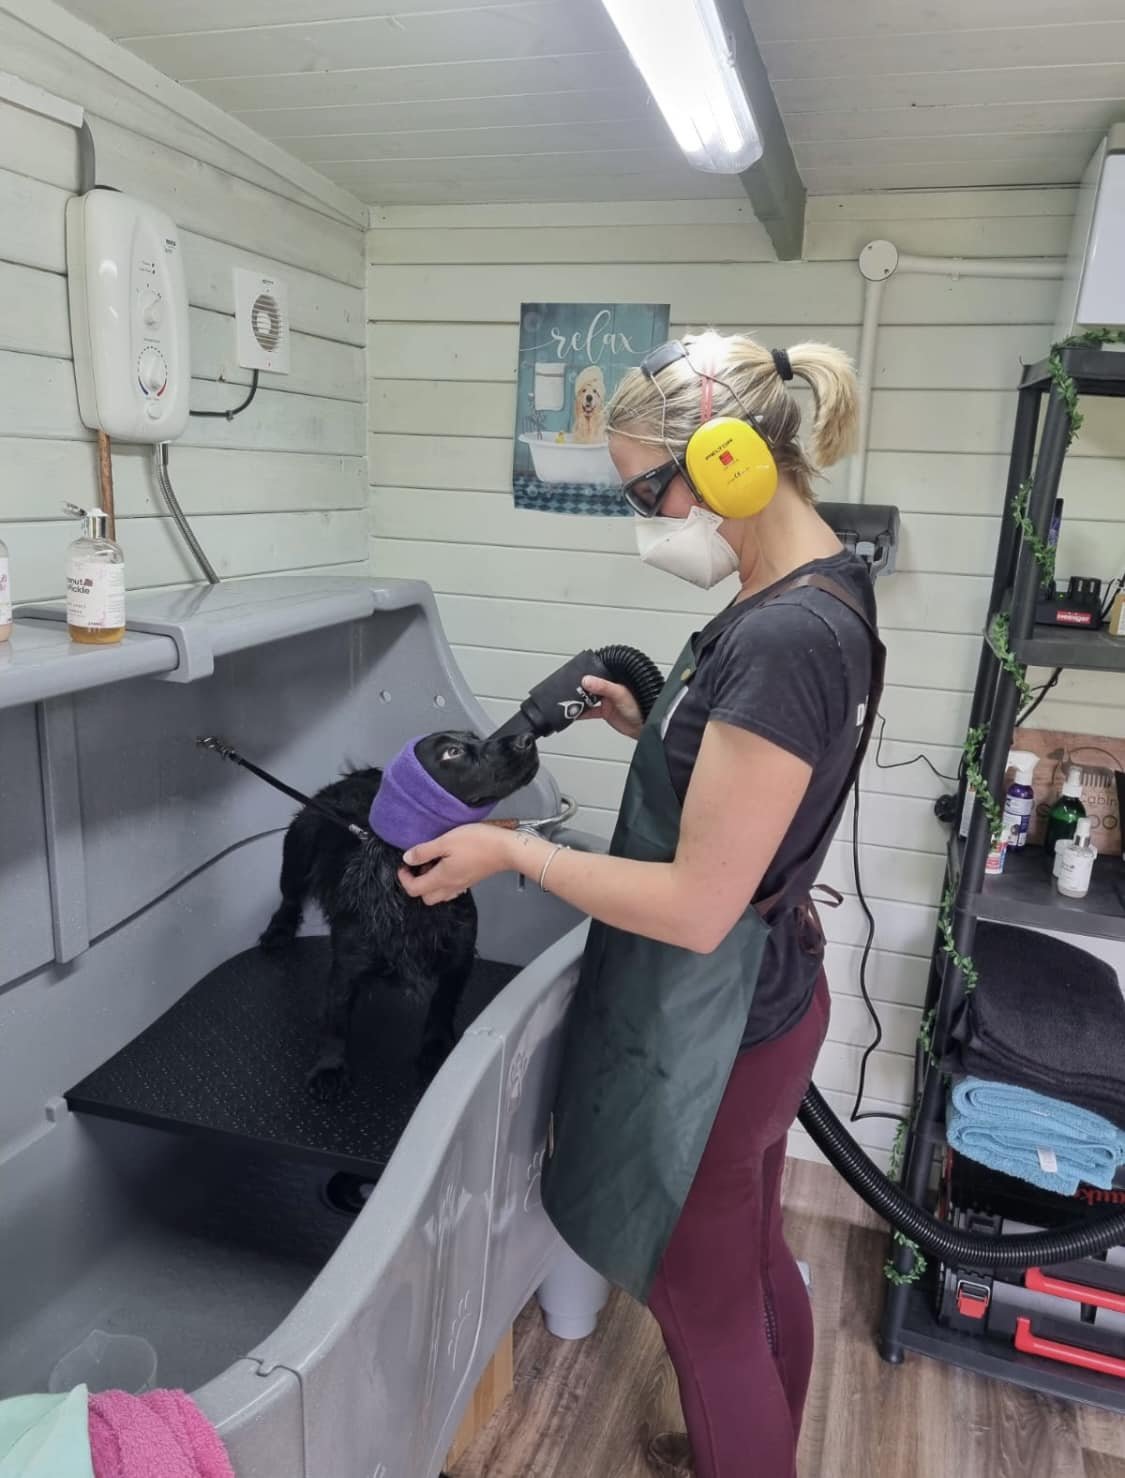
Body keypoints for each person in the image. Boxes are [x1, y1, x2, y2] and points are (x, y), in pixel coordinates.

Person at [399, 332, 882, 1478]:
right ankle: (751, 1442)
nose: (647, 519)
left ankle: (741, 1449)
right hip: (773, 995)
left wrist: (510, 850)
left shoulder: (783, 637)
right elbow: (752, 786)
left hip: (721, 1029)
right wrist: (654, 721)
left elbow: (697, 903)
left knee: (703, 1313)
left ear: (724, 464)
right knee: (752, 1264)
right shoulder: (822, 584)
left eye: (643, 489)